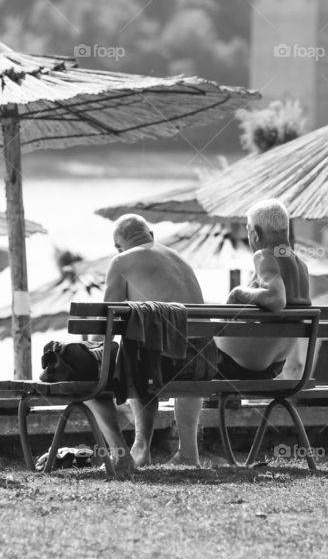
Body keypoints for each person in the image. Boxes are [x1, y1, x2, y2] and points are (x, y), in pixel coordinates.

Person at [86, 214, 214, 472]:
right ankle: (188, 452)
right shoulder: (180, 259)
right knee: (160, 346)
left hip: (158, 364)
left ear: (118, 246)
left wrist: (90, 350)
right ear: (151, 235)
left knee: (136, 349)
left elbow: (105, 324)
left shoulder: (121, 261)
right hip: (203, 361)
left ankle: (140, 446)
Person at [216, 199, 311, 378]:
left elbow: (276, 299)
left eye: (248, 230)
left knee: (192, 349)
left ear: (256, 233)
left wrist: (237, 292)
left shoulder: (264, 255)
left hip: (240, 365)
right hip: (275, 366)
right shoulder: (301, 265)